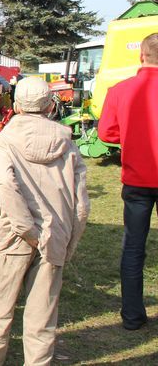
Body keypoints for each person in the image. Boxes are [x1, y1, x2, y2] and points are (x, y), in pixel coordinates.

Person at [0, 76, 89, 366]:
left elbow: (7, 189)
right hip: (54, 235)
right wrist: (67, 244)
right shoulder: (68, 144)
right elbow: (81, 205)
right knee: (43, 318)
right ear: (50, 105)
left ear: (16, 106)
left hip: (16, 234)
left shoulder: (4, 140)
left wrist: (27, 230)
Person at [97, 32, 158, 331]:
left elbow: (106, 133)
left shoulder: (120, 89)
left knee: (134, 247)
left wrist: (132, 139)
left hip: (137, 179)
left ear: (141, 55)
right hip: (141, 178)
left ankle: (133, 315)